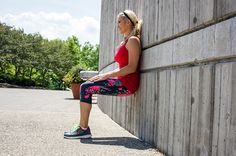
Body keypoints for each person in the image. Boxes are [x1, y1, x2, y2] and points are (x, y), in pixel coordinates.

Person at [64, 10, 142, 139]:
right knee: (86, 86)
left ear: (128, 22)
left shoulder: (133, 41)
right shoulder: (125, 42)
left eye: (119, 22)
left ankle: (83, 129)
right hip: (121, 82)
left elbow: (132, 67)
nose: (117, 25)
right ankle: (82, 127)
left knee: (85, 87)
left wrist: (105, 75)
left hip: (127, 84)